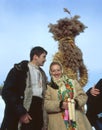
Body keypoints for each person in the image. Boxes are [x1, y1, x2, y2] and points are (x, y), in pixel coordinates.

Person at [0, 46, 48, 130]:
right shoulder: (19, 70)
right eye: (43, 57)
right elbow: (7, 92)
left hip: (38, 111)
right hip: (24, 109)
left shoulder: (43, 74)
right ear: (35, 56)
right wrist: (21, 112)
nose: (45, 60)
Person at [44, 61, 92, 130]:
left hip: (77, 119)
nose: (56, 73)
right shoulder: (48, 87)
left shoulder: (73, 82)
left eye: (58, 70)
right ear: (50, 72)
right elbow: (46, 104)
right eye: (53, 71)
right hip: (58, 123)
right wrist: (60, 105)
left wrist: (76, 102)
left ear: (62, 70)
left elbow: (83, 96)